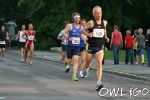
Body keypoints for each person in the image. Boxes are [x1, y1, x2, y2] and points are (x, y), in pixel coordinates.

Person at [83, 6, 109, 91]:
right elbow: (82, 30)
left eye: (100, 12)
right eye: (97, 13)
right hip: (91, 46)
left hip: (99, 47)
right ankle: (86, 69)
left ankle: (99, 82)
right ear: (93, 14)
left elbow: (104, 30)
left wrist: (106, 37)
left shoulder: (104, 22)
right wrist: (88, 34)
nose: (99, 14)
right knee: (88, 63)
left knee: (99, 64)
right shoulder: (91, 23)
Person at [63, 12, 83, 81]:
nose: (78, 19)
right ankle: (67, 64)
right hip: (70, 45)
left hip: (77, 46)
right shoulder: (70, 25)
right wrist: (68, 38)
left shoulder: (81, 27)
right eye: (76, 18)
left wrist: (85, 38)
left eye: (79, 18)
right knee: (69, 60)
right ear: (73, 19)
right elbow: (64, 33)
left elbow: (82, 35)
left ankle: (74, 75)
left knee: (76, 60)